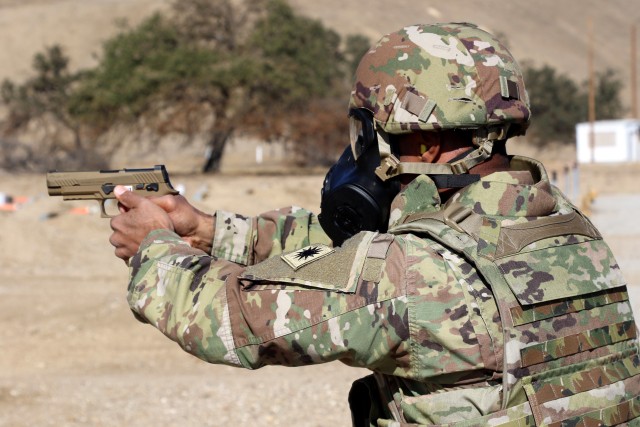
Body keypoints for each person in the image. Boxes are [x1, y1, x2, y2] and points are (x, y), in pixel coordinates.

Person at [109, 22, 640, 426]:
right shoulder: (567, 228)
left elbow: (225, 317)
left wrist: (154, 246)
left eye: (372, 133)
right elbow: (364, 247)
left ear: (425, 144)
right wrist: (206, 229)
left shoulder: (407, 277)